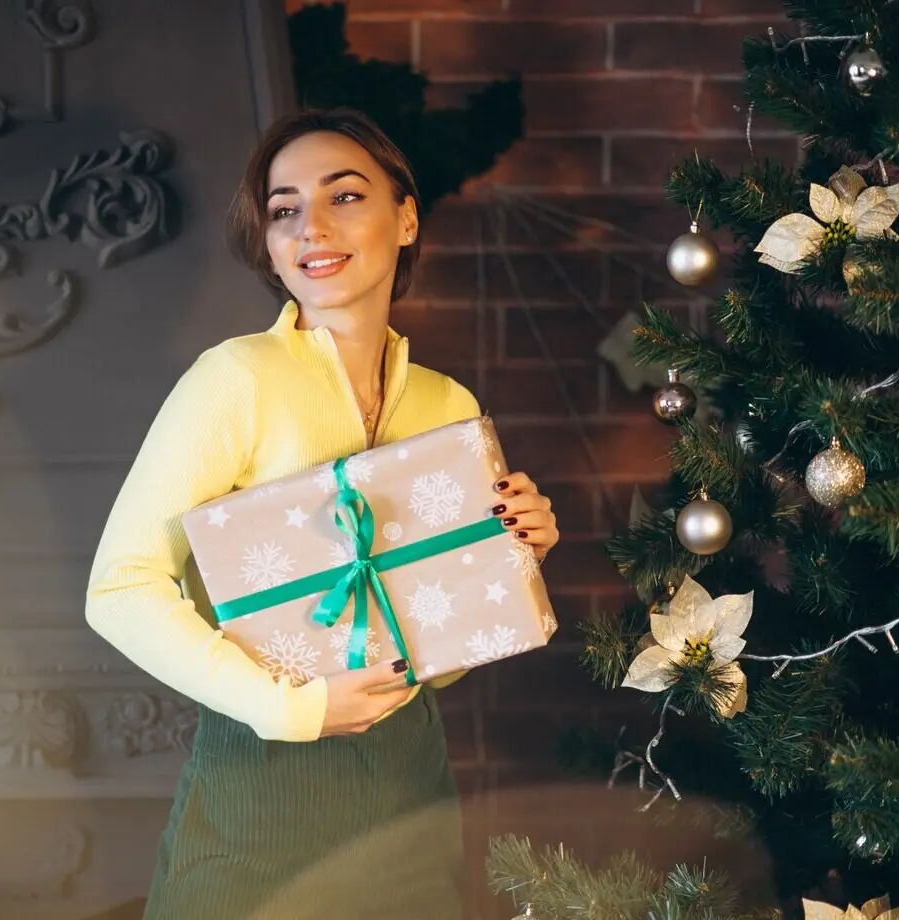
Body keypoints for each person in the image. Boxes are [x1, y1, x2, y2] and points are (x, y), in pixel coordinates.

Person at [84, 108, 560, 920]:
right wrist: (288, 708)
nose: (312, 228)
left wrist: (512, 555)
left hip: (409, 785)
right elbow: (119, 590)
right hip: (260, 782)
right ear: (268, 241)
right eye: (284, 208)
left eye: (344, 197)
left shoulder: (451, 407)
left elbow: (435, 659)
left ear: (405, 218)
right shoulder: (234, 379)